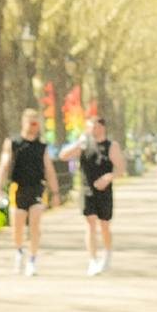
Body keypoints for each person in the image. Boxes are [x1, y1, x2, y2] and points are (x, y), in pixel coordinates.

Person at [0, 108, 60, 276]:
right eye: (31, 122)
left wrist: (55, 192)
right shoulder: (12, 143)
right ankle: (19, 251)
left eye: (36, 123)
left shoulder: (41, 147)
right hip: (18, 188)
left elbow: (49, 169)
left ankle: (32, 259)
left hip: (36, 187)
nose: (33, 126)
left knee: (35, 224)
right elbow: (3, 166)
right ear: (24, 123)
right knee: (17, 226)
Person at [59, 111, 124, 275]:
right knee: (90, 224)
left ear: (101, 127)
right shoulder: (83, 145)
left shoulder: (111, 146)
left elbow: (120, 168)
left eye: (93, 126)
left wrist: (108, 177)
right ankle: (92, 260)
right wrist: (77, 143)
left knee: (104, 226)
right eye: (88, 127)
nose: (91, 130)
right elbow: (63, 156)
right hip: (87, 190)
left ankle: (107, 253)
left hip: (104, 192)